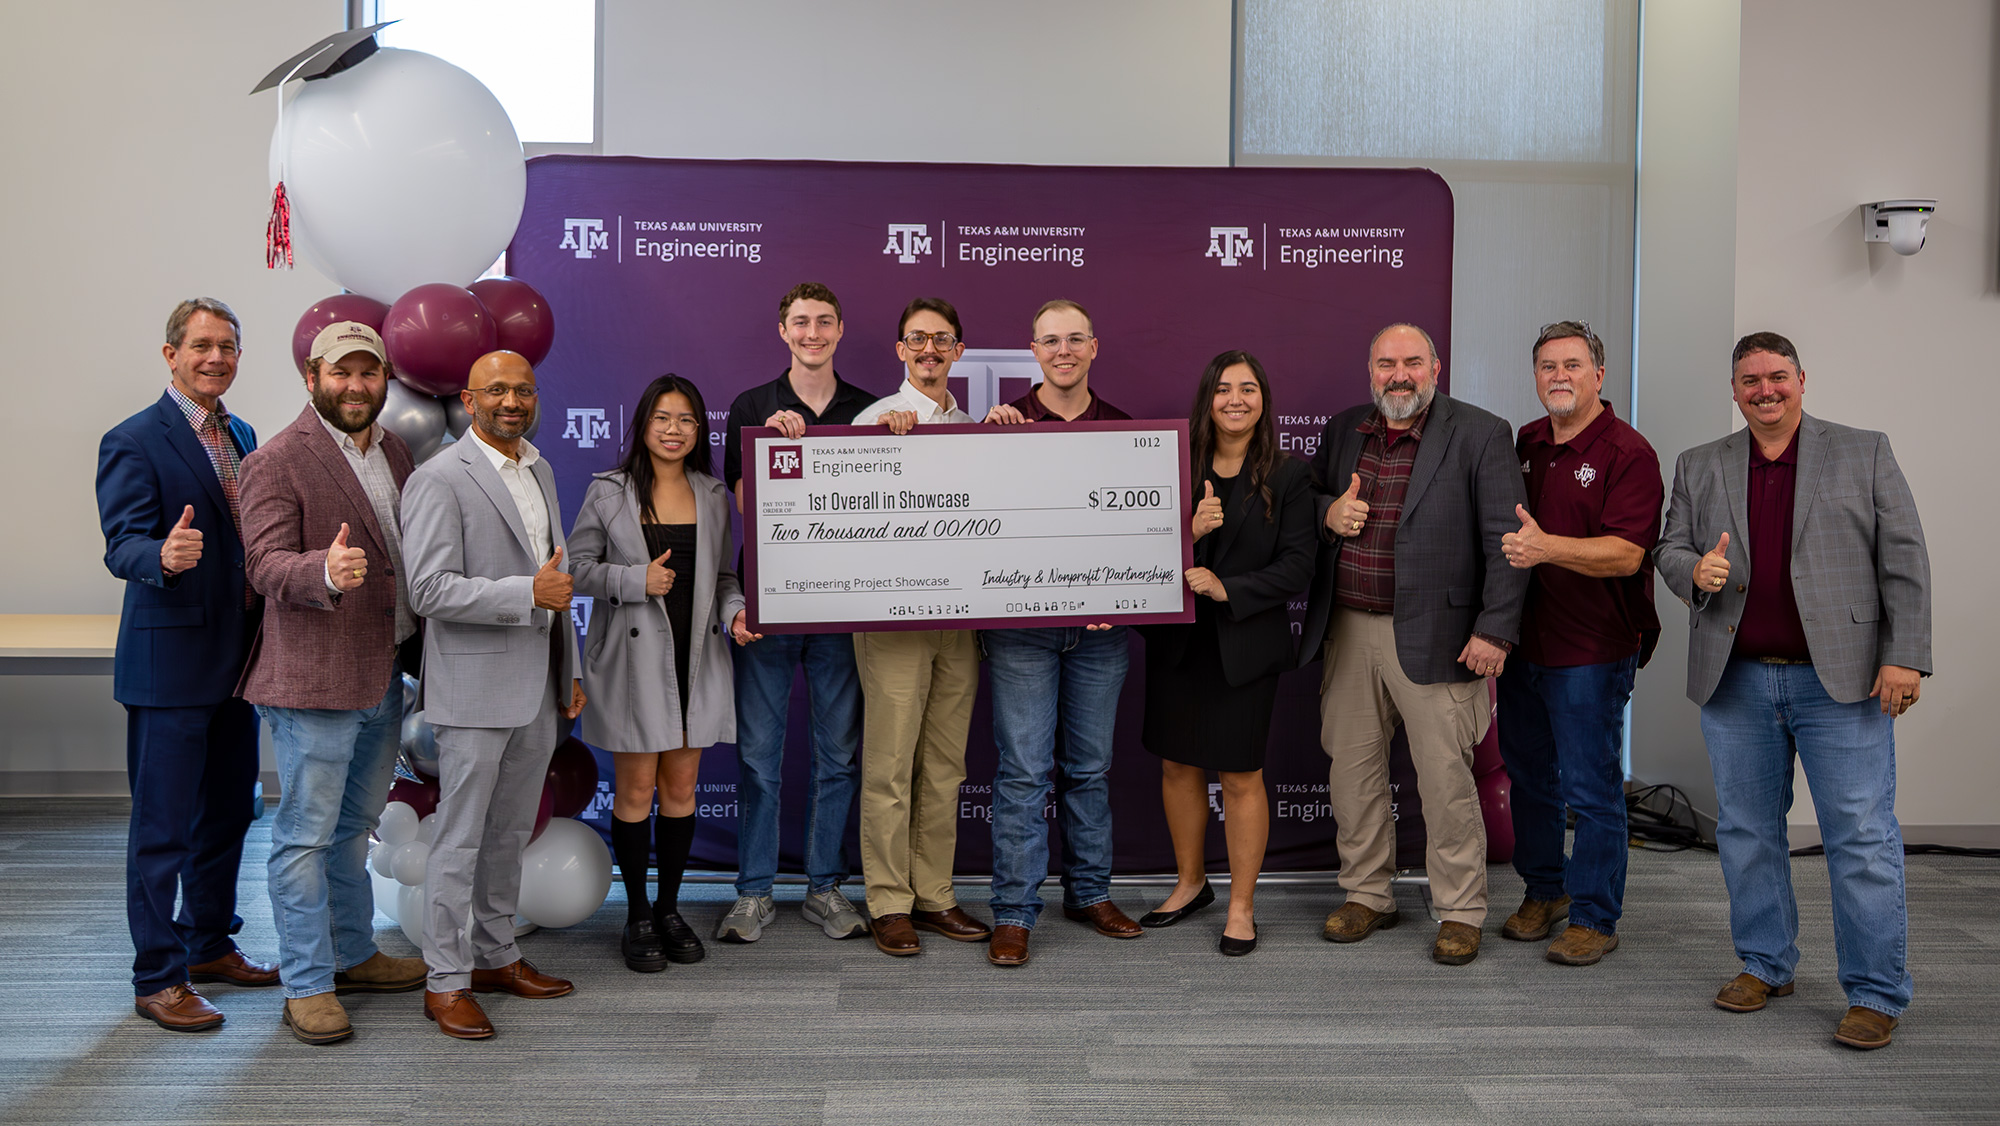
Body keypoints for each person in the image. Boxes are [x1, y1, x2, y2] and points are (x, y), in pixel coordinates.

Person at [1656, 331, 1929, 1051]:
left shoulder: (1864, 451)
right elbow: (1669, 547)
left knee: (1860, 838)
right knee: (1746, 832)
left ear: (1802, 380)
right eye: (1750, 380)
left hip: (1841, 681)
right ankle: (1765, 963)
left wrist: (1905, 656)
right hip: (1737, 680)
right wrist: (1693, 571)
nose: (1765, 390)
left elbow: (1904, 559)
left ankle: (1874, 992)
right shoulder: (1700, 463)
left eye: (1777, 376)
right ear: (1735, 390)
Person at [1298, 322, 1528, 966]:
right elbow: (1307, 500)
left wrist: (1494, 629)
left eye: (1411, 363)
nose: (1398, 375)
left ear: (1435, 367)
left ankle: (1460, 909)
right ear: (1370, 369)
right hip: (1349, 628)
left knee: (1445, 779)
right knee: (1353, 772)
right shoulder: (1344, 430)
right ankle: (1367, 894)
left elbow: (1508, 543)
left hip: (1442, 634)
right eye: (1385, 363)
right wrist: (1327, 513)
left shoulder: (1481, 432)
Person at [237, 322, 428, 1044]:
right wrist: (321, 570)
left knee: (353, 830)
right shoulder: (275, 460)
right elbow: (263, 565)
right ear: (312, 376)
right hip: (313, 683)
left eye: (367, 372)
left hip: (383, 672)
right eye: (340, 372)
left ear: (385, 380)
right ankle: (307, 983)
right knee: (305, 838)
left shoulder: (396, 451)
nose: (355, 385)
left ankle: (353, 954)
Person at [96, 297, 277, 1033]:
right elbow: (122, 544)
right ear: (171, 354)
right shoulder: (133, 439)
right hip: (169, 665)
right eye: (201, 345)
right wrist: (162, 557)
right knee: (163, 827)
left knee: (230, 813)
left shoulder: (242, 433)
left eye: (227, 346)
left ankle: (209, 944)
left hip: (239, 664)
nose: (215, 358)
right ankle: (157, 977)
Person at [401, 350, 587, 1040]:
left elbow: (558, 579)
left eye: (523, 390)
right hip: (474, 687)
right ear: (468, 399)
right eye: (497, 390)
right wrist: (524, 594)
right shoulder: (438, 477)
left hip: (537, 685)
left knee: (509, 833)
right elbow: (428, 590)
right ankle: (445, 981)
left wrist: (570, 668)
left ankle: (496, 955)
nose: (512, 401)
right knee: (460, 840)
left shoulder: (540, 468)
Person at [979, 298, 1146, 968]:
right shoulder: (1001, 426)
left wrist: (1122, 589)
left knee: (1089, 769)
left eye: (1076, 339)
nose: (1064, 351)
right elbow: (974, 527)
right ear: (1034, 350)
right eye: (1051, 341)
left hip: (1100, 634)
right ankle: (1014, 912)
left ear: (1094, 347)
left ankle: (1090, 894)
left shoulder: (1129, 432)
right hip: (1020, 632)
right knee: (1023, 773)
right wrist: (984, 445)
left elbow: (1141, 533)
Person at [1495, 321, 1662, 967]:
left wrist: (1546, 549)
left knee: (1591, 788)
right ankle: (1546, 891)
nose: (1559, 376)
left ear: (1599, 374)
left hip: (1591, 650)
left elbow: (1626, 554)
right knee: (1529, 778)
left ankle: (1595, 915)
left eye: (1572, 365)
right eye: (1547, 366)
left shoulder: (1629, 453)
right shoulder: (1527, 441)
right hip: (1524, 645)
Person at [1138, 351, 1316, 956]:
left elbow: (1298, 566)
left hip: (1244, 647)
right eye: (1222, 389)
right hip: (1178, 644)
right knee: (1177, 766)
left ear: (1263, 400)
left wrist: (1226, 588)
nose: (1234, 399)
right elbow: (1136, 546)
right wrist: (1188, 533)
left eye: (1247, 389)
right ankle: (1191, 884)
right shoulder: (1173, 464)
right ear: (1206, 399)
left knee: (1240, 776)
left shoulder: (1289, 477)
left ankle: (1241, 906)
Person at [717, 282, 875, 943]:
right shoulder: (753, 406)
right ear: (783, 330)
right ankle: (754, 892)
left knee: (838, 756)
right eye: (801, 322)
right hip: (769, 603)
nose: (813, 333)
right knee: (759, 758)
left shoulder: (869, 410)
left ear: (840, 330)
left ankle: (824, 889)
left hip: (844, 604)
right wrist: (780, 448)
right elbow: (745, 503)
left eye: (824, 322)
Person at [570, 374, 743, 973]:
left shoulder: (713, 493)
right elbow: (576, 569)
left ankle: (670, 909)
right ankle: (637, 914)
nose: (674, 430)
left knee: (681, 791)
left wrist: (736, 612)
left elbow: (723, 578)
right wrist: (634, 580)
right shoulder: (609, 491)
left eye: (687, 420)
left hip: (697, 656)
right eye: (663, 418)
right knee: (636, 791)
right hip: (634, 661)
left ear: (700, 430)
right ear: (643, 424)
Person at [850, 298, 989, 957]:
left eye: (942, 339)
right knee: (889, 764)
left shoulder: (974, 428)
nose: (929, 349)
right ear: (900, 349)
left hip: (959, 621)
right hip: (894, 620)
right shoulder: (874, 421)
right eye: (917, 339)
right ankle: (888, 901)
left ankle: (934, 895)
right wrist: (886, 449)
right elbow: (845, 518)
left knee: (944, 766)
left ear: (958, 350)